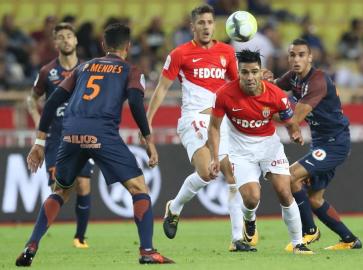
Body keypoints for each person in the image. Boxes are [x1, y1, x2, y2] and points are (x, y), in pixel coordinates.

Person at [15, 23, 174, 267]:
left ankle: (31, 245)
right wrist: (148, 138)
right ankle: (148, 250)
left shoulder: (82, 67)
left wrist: (39, 142)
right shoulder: (130, 69)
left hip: (70, 135)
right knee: (139, 188)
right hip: (102, 133)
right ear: (128, 46)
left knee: (60, 191)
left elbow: (52, 100)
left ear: (103, 45)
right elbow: (134, 101)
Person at [146, 4, 252, 252]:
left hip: (219, 120)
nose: (206, 27)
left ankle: (237, 240)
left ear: (214, 25)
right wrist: (147, 120)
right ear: (192, 26)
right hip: (193, 118)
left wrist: (256, 81)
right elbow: (161, 88)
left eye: (209, 22)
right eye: (201, 23)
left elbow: (238, 86)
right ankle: (175, 207)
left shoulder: (226, 52)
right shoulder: (180, 54)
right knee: (207, 172)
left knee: (232, 175)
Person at [208, 49, 313, 255]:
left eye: (254, 72)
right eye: (245, 73)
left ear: (260, 71)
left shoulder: (276, 95)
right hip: (240, 151)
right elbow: (213, 127)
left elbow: (290, 121)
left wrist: (295, 133)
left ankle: (298, 243)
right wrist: (215, 157)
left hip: (269, 147)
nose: (249, 77)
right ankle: (249, 219)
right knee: (251, 198)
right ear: (238, 72)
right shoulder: (224, 95)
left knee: (284, 191)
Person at [275, 38, 362, 251]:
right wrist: (262, 81)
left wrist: (268, 114)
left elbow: (294, 117)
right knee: (315, 199)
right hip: (321, 144)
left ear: (310, 58)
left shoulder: (318, 81)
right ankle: (350, 240)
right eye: (292, 55)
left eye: (301, 55)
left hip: (335, 144)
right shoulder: (293, 77)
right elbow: (273, 89)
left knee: (291, 175)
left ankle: (309, 232)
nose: (296, 59)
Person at [26, 22, 93, 249]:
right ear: (55, 43)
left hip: (82, 135)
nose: (65, 40)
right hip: (56, 139)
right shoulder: (47, 72)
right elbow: (31, 99)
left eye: (69, 36)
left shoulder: (88, 69)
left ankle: (80, 237)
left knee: (84, 185)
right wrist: (39, 123)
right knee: (60, 188)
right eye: (61, 37)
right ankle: (36, 239)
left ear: (76, 40)